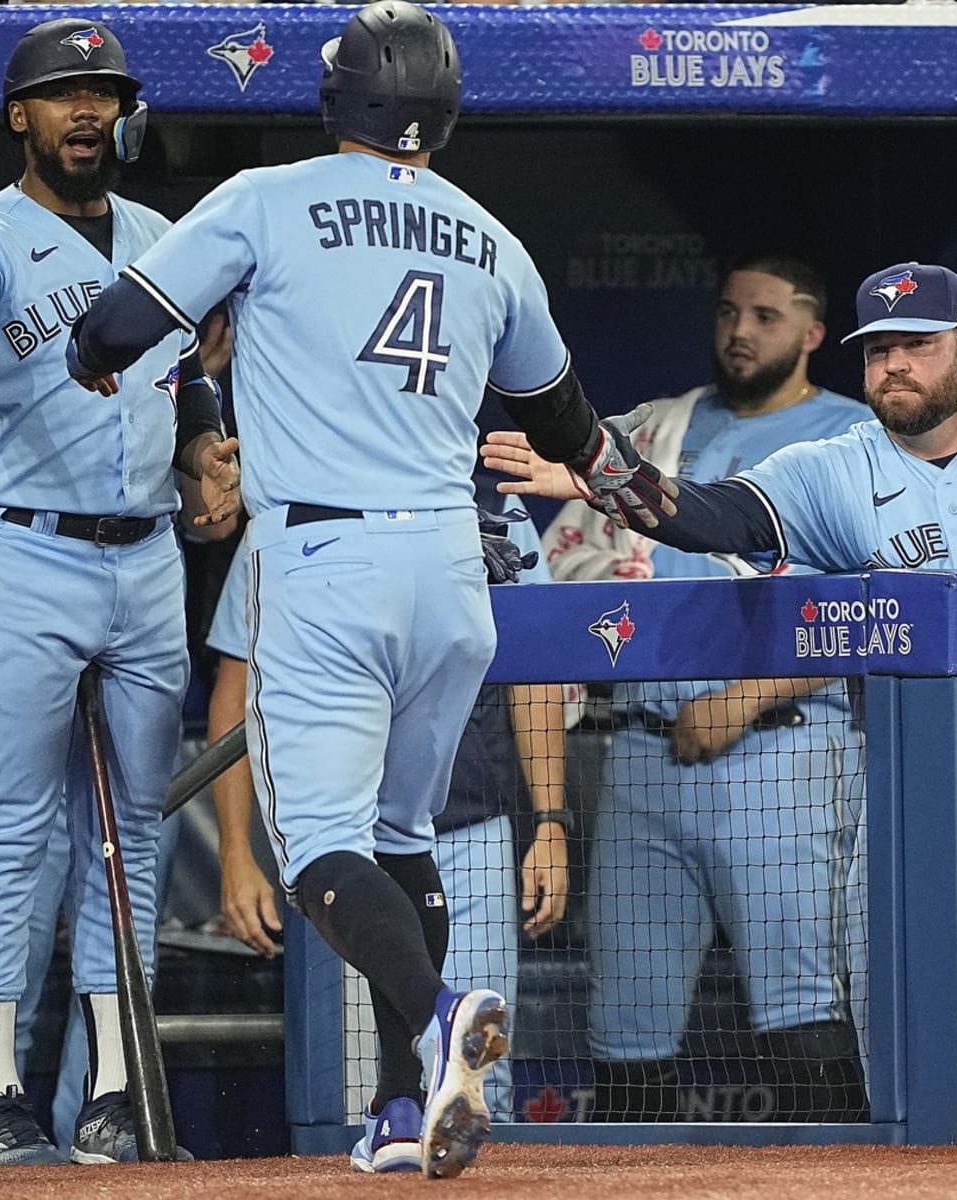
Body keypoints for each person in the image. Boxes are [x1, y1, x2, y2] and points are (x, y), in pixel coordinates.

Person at [68, 1, 618, 1177]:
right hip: (452, 569)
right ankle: (402, 1110)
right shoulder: (491, 235)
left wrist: (147, 349)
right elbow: (567, 421)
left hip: (326, 559)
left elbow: (111, 329)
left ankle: (433, 1016)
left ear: (339, 98)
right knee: (399, 837)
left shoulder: (267, 199)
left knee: (317, 847)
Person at [481, 260, 957, 1124]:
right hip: (910, 794)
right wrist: (600, 476)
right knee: (904, 1089)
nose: (895, 367)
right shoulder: (837, 466)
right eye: (878, 352)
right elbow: (708, 514)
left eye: (917, 345)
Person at [0, 18, 239, 1166]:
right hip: (21, 550)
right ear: (18, 116)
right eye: (62, 95)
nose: (85, 112)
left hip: (146, 560)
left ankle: (117, 1095)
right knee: (3, 830)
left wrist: (205, 446)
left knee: (127, 841)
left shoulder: (167, 237)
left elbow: (184, 382)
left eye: (102, 94)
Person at [541, 254, 869, 1121]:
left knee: (804, 1014)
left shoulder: (853, 436)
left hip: (781, 749)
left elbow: (871, 604)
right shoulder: (661, 427)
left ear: (812, 333)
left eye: (765, 316)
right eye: (729, 312)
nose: (740, 331)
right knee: (625, 1031)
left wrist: (747, 695)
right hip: (643, 749)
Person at [205, 478, 568, 1136]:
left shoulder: (490, 506)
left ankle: (412, 1107)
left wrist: (550, 822)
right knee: (353, 1071)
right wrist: (234, 850)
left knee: (487, 1081)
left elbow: (538, 671)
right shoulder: (294, 505)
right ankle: (398, 1119)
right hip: (359, 843)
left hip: (465, 824)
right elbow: (236, 686)